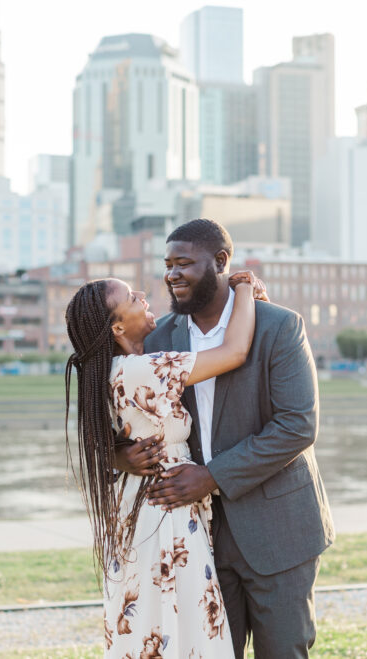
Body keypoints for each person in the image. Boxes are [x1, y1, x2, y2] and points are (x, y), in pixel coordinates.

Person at [118, 219, 335, 658]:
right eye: (168, 265)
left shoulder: (279, 326)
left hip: (280, 531)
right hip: (198, 536)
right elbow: (121, 412)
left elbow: (298, 425)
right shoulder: (159, 339)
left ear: (220, 262)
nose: (172, 274)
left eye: (184, 263)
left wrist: (212, 476)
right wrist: (122, 455)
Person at [64, 270, 262, 658]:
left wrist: (119, 455)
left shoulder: (103, 373)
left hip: (138, 507)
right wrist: (244, 288)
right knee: (183, 622)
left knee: (149, 621)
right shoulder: (142, 370)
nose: (141, 294)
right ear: (118, 325)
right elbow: (235, 351)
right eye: (131, 297)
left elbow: (107, 443)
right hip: (164, 514)